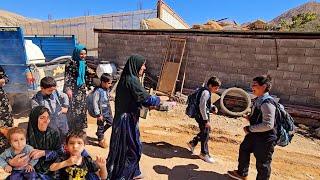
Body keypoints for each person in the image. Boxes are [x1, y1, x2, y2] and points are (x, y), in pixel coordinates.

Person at [107, 55, 160, 180]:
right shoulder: (132, 80)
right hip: (126, 121)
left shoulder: (126, 79)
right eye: (143, 65)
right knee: (132, 149)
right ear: (135, 65)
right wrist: (157, 100)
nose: (144, 68)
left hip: (123, 119)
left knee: (123, 148)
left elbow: (134, 99)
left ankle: (134, 172)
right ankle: (123, 176)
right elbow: (146, 98)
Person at [228, 75, 277, 180]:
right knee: (244, 148)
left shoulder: (268, 102)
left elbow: (268, 124)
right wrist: (250, 118)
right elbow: (260, 116)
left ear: (263, 87)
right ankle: (242, 174)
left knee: (262, 163)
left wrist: (249, 129)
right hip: (255, 135)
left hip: (265, 138)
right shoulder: (259, 99)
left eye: (255, 85)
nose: (252, 87)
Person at [7, 106, 63, 179]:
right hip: (25, 169)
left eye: (48, 117)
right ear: (34, 119)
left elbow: (60, 153)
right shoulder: (23, 135)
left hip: (49, 170)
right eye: (42, 118)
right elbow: (9, 153)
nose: (46, 121)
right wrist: (11, 162)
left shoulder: (53, 134)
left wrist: (44, 153)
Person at [186, 76, 221, 164]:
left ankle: (193, 143)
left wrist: (212, 107)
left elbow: (205, 103)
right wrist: (206, 120)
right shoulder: (206, 92)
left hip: (201, 115)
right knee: (205, 133)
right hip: (202, 116)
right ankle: (204, 153)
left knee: (204, 131)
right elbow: (202, 106)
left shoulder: (205, 90)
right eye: (215, 88)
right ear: (210, 85)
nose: (216, 90)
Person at [31, 76, 69, 143]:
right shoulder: (36, 99)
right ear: (42, 88)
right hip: (49, 121)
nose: (52, 92)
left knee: (65, 133)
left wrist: (65, 107)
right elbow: (36, 112)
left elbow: (65, 96)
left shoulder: (55, 92)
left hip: (60, 117)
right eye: (50, 90)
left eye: (53, 89)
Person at [64, 44, 90, 131]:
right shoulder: (70, 63)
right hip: (73, 89)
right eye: (81, 54)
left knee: (82, 108)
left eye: (84, 54)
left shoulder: (84, 63)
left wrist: (88, 86)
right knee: (73, 109)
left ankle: (80, 127)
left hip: (81, 89)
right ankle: (72, 128)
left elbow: (85, 76)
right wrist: (68, 89)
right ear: (77, 53)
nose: (83, 56)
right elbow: (67, 76)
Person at [89, 73, 113, 148]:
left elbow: (107, 98)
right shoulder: (97, 91)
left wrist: (111, 98)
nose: (110, 85)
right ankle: (100, 140)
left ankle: (100, 133)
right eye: (108, 83)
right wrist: (98, 114)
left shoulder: (107, 90)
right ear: (103, 82)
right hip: (101, 113)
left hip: (107, 111)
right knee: (101, 126)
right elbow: (95, 103)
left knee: (111, 122)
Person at [0, 65, 13, 153]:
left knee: (8, 126)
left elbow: (6, 78)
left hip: (2, 104)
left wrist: (3, 80)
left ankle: (7, 150)